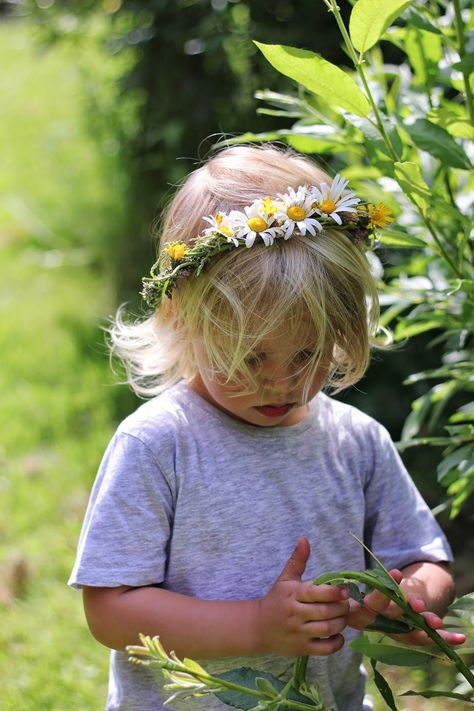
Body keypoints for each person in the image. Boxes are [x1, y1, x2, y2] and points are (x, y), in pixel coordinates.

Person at [69, 145, 464, 711]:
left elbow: (421, 555)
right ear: (183, 316)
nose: (279, 382)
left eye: (306, 355)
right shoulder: (161, 444)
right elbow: (110, 611)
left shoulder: (356, 442)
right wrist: (256, 625)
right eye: (251, 358)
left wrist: (412, 599)